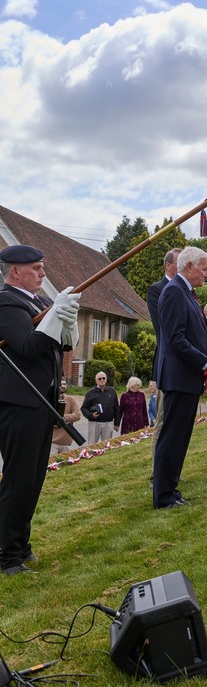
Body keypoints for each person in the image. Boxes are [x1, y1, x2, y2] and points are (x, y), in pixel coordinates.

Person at [0, 244, 80, 575]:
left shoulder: (41, 302)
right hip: (18, 404)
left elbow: (64, 345)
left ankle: (20, 544)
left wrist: (69, 321)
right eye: (36, 268)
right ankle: (7, 556)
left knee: (33, 479)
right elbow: (30, 347)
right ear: (14, 271)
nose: (42, 273)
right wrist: (53, 315)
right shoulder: (6, 302)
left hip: (41, 403)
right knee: (19, 479)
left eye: (42, 267)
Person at [153, 246, 207, 508]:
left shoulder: (188, 294)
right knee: (171, 437)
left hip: (187, 377)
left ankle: (171, 488)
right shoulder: (173, 291)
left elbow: (193, 333)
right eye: (204, 269)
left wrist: (202, 371)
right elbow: (175, 339)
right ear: (189, 266)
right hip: (176, 377)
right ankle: (162, 496)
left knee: (180, 438)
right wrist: (206, 362)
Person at [146, 248, 182, 476]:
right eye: (181, 262)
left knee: (177, 424)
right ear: (168, 265)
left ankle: (171, 472)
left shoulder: (188, 292)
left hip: (183, 366)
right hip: (168, 364)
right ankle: (157, 475)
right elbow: (165, 331)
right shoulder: (157, 290)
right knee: (162, 421)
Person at [81, 371, 120, 443]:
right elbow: (84, 408)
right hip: (94, 423)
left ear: (106, 379)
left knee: (107, 445)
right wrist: (91, 415)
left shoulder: (112, 391)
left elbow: (116, 408)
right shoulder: (90, 393)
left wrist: (117, 423)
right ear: (96, 381)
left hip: (108, 423)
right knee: (92, 445)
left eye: (103, 378)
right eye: (99, 378)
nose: (102, 380)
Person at [51, 377, 81, 453]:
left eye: (64, 384)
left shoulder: (71, 400)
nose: (63, 386)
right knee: (52, 464)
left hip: (66, 444)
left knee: (66, 465)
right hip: (52, 443)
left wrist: (62, 417)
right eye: (61, 384)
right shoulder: (51, 400)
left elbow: (77, 415)